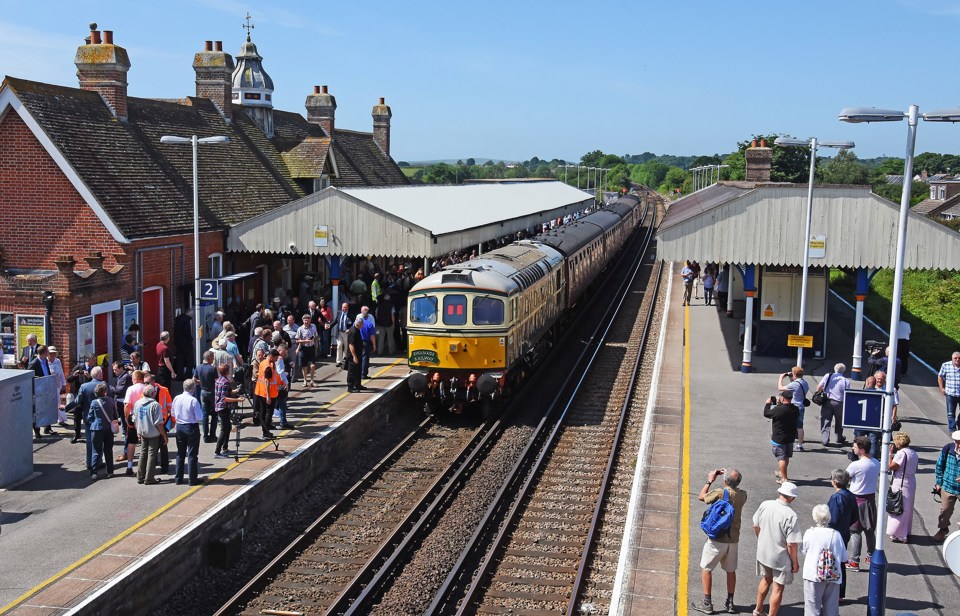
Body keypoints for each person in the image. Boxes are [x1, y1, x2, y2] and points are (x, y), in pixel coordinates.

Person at [692, 468, 747, 615]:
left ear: (725, 481)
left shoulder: (721, 492)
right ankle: (730, 603)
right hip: (733, 540)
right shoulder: (743, 495)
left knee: (706, 568)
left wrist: (710, 479)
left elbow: (702, 497)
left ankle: (707, 603)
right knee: (730, 571)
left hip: (717, 539)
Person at [752, 482, 801, 616]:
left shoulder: (765, 504)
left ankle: (758, 609)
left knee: (766, 579)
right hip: (780, 557)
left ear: (779, 493)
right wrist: (795, 563)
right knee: (778, 587)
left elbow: (755, 525)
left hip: (763, 552)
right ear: (792, 498)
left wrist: (761, 539)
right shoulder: (791, 515)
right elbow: (791, 544)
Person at [800, 504, 847, 616]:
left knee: (812, 610)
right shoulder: (836, 535)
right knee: (831, 610)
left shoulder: (809, 533)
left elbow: (803, 551)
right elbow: (844, 558)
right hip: (833, 576)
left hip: (813, 576)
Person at [845, 435, 880, 571]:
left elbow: (845, 478)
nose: (853, 449)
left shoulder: (855, 465)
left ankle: (854, 561)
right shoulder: (876, 462)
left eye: (854, 447)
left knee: (855, 531)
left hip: (856, 500)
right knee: (870, 531)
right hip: (870, 500)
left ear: (861, 449)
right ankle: (871, 558)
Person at [827, 469, 857, 604]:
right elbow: (855, 516)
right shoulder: (850, 495)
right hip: (845, 533)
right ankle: (840, 593)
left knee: (831, 562)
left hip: (835, 534)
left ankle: (831, 592)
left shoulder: (836, 498)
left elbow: (832, 520)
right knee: (841, 563)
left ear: (834, 482)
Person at [886, 431, 918, 543]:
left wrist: (890, 454)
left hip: (901, 483)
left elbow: (891, 466)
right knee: (907, 508)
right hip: (911, 482)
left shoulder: (901, 453)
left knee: (898, 507)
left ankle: (897, 533)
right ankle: (905, 532)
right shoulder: (913, 453)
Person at [171, 379, 204, 486]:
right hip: (191, 427)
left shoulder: (176, 398)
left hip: (179, 426)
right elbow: (199, 417)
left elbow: (173, 413)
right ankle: (192, 479)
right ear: (193, 389)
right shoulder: (193, 400)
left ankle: (178, 478)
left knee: (180, 454)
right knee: (192, 454)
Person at [133, 384, 167, 485]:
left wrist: (138, 431)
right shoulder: (155, 405)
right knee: (152, 454)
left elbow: (135, 419)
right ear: (153, 393)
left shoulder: (138, 403)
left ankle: (140, 476)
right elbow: (158, 423)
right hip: (153, 434)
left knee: (143, 454)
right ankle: (149, 478)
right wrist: (164, 435)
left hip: (143, 432)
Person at [764, 392, 799, 484]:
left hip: (779, 438)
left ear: (783, 398)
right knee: (786, 456)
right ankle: (781, 472)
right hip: (790, 437)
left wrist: (768, 404)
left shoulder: (779, 409)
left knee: (781, 458)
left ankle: (784, 478)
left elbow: (766, 413)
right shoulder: (795, 409)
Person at [87, 382, 118, 480]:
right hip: (108, 428)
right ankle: (110, 471)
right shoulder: (111, 400)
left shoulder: (94, 403)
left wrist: (90, 421)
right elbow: (115, 416)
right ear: (104, 392)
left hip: (97, 428)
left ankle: (94, 472)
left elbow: (90, 416)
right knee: (108, 450)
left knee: (96, 451)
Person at [933, 430, 960, 542]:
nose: (958, 444)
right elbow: (939, 465)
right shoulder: (948, 449)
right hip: (948, 486)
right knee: (945, 510)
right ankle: (943, 529)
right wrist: (939, 482)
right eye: (957, 442)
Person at [815, 364, 849, 447]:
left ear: (835, 369)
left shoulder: (828, 376)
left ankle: (825, 439)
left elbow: (818, 387)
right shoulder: (845, 381)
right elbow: (847, 394)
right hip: (839, 403)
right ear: (843, 371)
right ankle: (839, 437)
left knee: (826, 420)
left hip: (827, 401)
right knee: (839, 421)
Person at [121, 370, 146, 476]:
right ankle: (146, 466)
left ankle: (130, 466)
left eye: (132, 378)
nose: (131, 380)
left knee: (131, 442)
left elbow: (127, 405)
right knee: (146, 441)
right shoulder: (146, 387)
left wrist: (126, 418)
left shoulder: (131, 389)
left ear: (135, 378)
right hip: (145, 417)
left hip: (134, 417)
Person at [213, 363, 241, 457]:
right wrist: (238, 399)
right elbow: (224, 398)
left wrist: (235, 391)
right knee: (224, 429)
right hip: (223, 407)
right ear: (227, 371)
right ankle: (217, 451)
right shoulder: (225, 382)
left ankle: (225, 448)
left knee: (228, 427)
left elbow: (227, 392)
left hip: (221, 407)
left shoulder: (219, 380)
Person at [778, 367, 809, 451]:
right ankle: (800, 445)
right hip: (801, 406)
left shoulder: (794, 384)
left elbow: (780, 388)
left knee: (787, 424)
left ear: (794, 374)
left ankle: (786, 442)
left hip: (793, 407)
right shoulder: (805, 383)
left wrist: (781, 377)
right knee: (800, 426)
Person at [254, 349, 282, 439]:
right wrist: (268, 396)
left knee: (263, 412)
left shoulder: (263, 363)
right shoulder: (268, 367)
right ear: (272, 356)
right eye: (276, 358)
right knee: (268, 412)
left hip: (260, 391)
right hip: (268, 393)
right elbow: (267, 381)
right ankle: (266, 433)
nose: (276, 360)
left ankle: (265, 430)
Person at [195, 350, 218, 443]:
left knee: (205, 415)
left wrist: (202, 382)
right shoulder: (212, 369)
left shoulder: (198, 368)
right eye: (212, 358)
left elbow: (195, 380)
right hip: (212, 392)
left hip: (203, 392)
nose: (213, 359)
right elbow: (217, 381)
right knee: (214, 415)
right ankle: (212, 435)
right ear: (209, 358)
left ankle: (205, 436)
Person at [938, 351, 960, 432]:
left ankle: (959, 423)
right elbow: (940, 376)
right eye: (955, 358)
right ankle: (952, 430)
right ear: (952, 358)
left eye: (959, 358)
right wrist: (941, 388)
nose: (957, 360)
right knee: (950, 414)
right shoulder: (946, 365)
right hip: (950, 394)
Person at [295, 314, 318, 387]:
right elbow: (297, 340)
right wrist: (305, 341)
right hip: (303, 348)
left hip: (311, 348)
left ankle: (312, 380)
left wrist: (316, 344)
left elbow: (316, 336)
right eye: (305, 320)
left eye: (307, 320)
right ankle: (305, 380)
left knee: (313, 365)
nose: (306, 321)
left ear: (310, 320)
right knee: (304, 366)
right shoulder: (300, 329)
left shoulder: (313, 326)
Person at [346, 316, 365, 393]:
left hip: (358, 353)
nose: (363, 325)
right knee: (352, 371)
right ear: (358, 324)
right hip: (353, 355)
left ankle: (358, 385)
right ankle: (350, 387)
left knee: (358, 370)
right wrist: (354, 356)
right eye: (362, 324)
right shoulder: (353, 331)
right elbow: (351, 345)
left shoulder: (357, 330)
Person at [359, 305, 377, 379]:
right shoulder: (369, 324)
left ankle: (358, 373)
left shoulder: (358, 323)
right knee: (365, 358)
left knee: (359, 357)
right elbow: (372, 336)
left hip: (358, 342)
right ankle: (363, 374)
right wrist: (374, 345)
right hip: (366, 342)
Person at [335, 302, 351, 368]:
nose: (343, 308)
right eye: (342, 307)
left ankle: (345, 359)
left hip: (346, 333)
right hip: (339, 332)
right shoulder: (339, 313)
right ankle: (339, 361)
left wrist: (350, 329)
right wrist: (329, 326)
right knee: (339, 345)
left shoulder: (350, 314)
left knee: (346, 347)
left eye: (345, 307)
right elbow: (336, 321)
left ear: (347, 308)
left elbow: (353, 323)